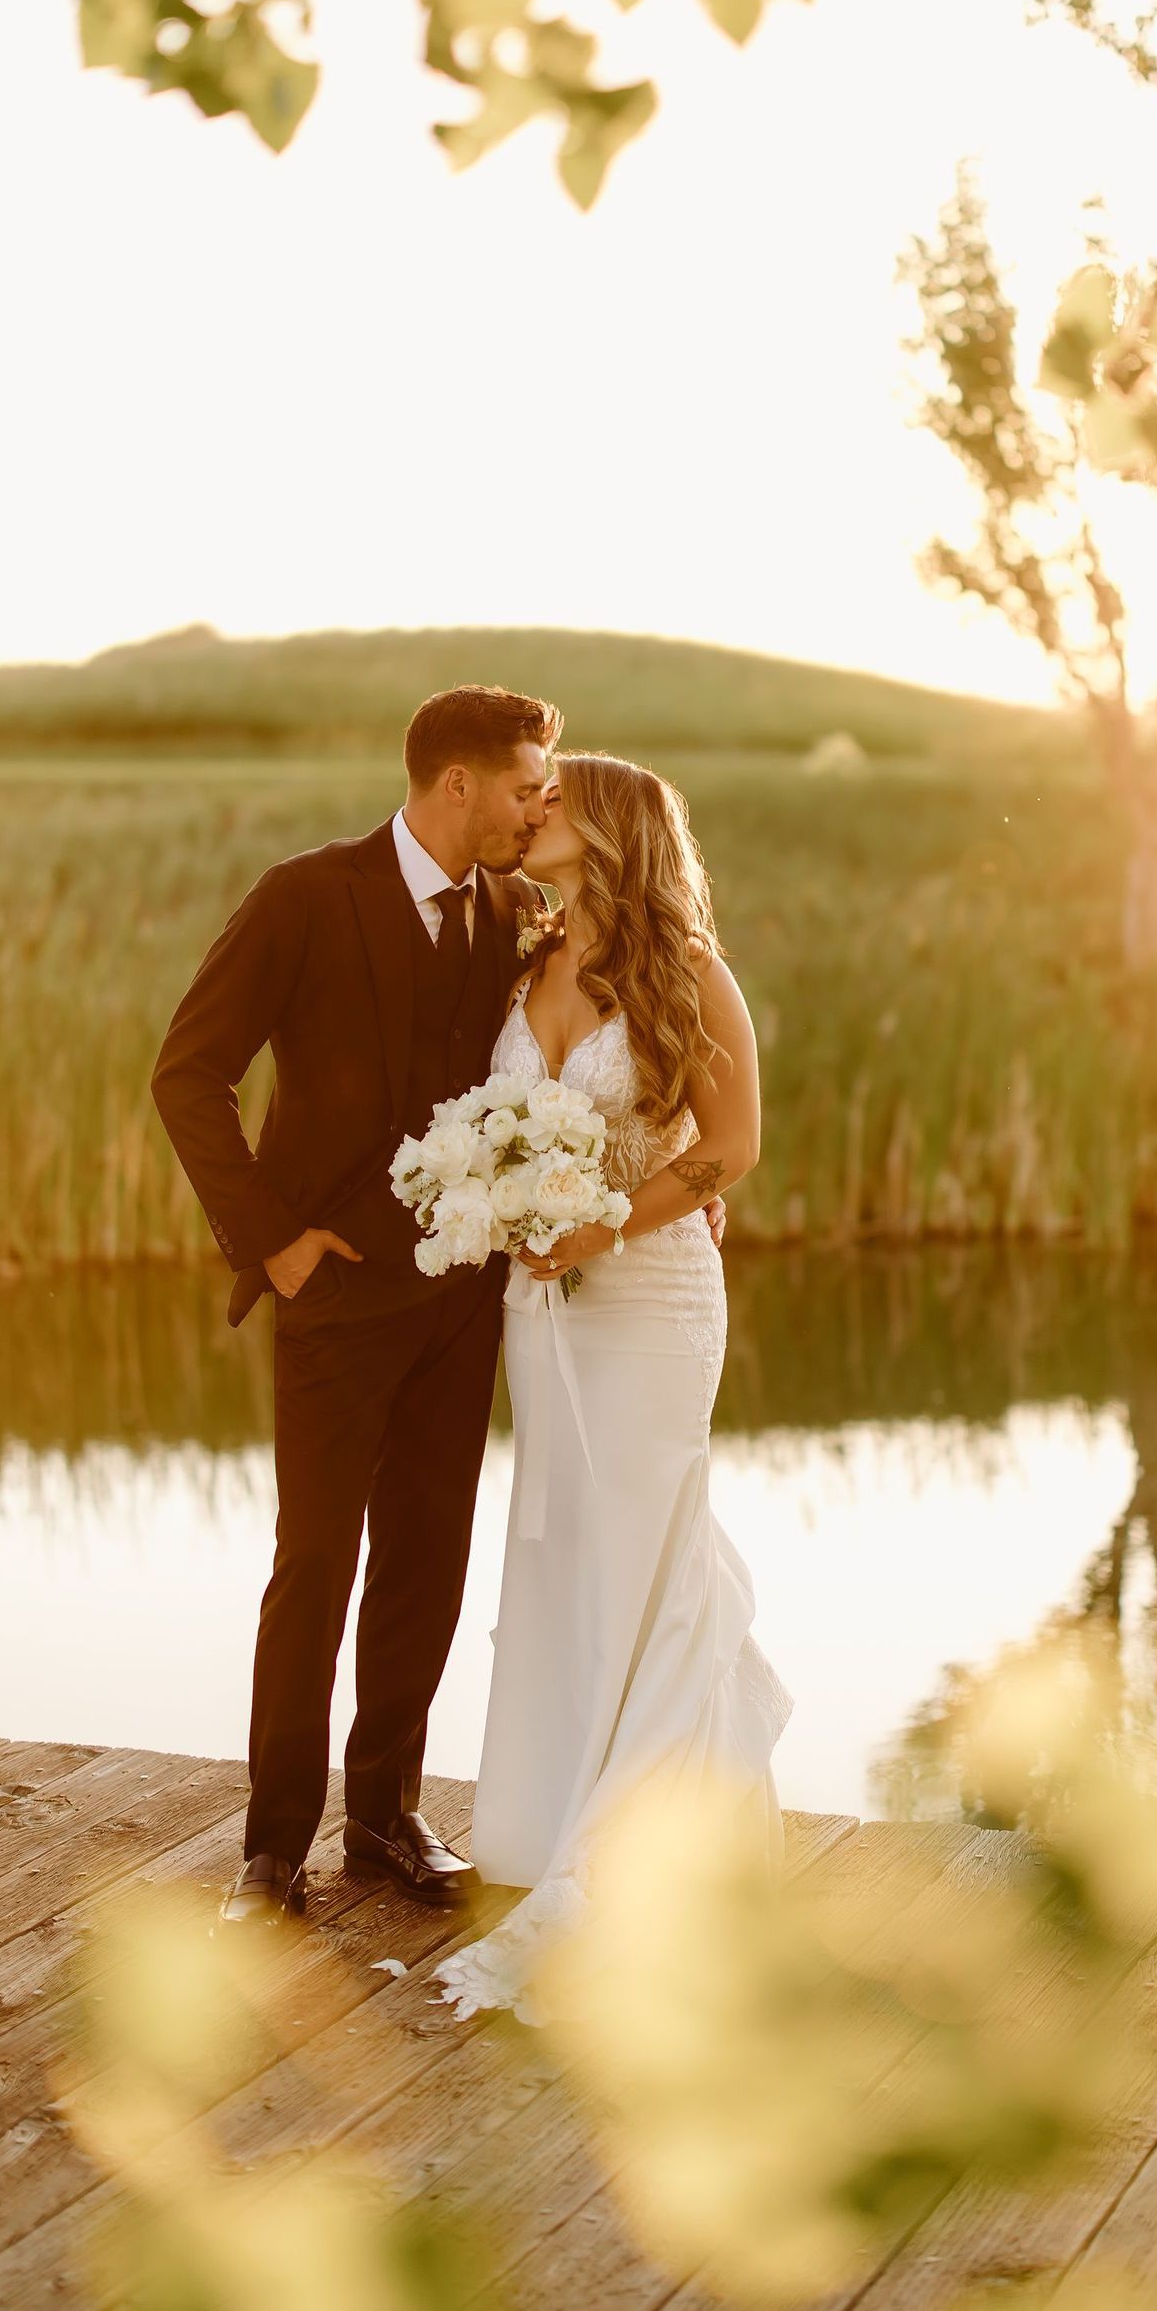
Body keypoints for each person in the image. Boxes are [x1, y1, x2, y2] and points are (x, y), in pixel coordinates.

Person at [150, 685, 559, 1924]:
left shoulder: (522, 914)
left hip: (462, 1298)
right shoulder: (305, 899)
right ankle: (274, 1846)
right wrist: (274, 1247)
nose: (537, 808)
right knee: (315, 1561)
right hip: (332, 1297)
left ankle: (385, 1817)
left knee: (428, 1560)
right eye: (524, 786)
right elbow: (189, 1075)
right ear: (457, 785)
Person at [433, 752, 790, 2022]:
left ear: (613, 831)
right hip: (547, 1311)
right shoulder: (524, 961)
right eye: (526, 802)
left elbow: (732, 1151)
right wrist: (498, 1198)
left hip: (650, 1302)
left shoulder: (690, 974)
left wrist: (599, 1227)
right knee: (567, 1544)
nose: (530, 817)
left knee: (645, 1544)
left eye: (552, 804)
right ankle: (549, 1816)